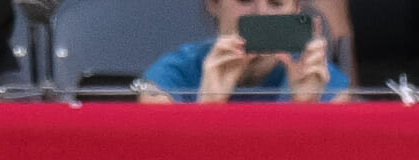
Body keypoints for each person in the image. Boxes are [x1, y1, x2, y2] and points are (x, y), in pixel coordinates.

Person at [139, 0, 352, 101]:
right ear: (213, 4)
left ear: (295, 10)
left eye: (275, 3)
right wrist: (208, 106)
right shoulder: (166, 82)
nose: (260, 14)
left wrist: (304, 111)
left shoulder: (325, 86)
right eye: (245, 1)